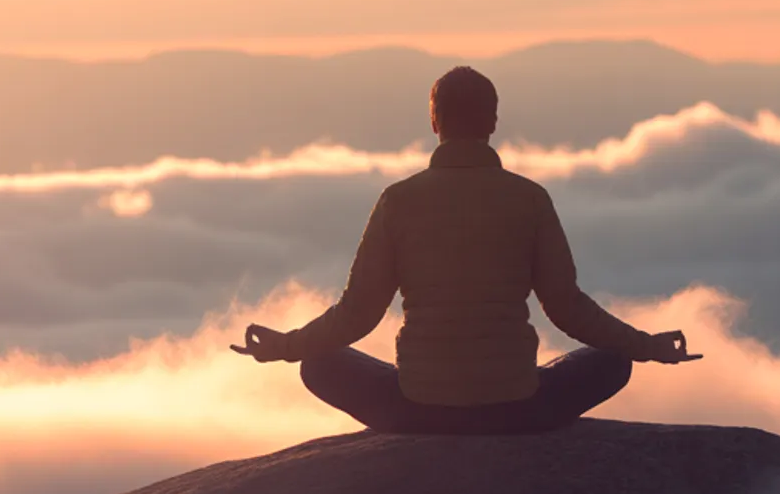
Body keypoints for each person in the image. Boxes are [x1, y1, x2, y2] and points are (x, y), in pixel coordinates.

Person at [232, 66, 699, 434]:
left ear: (433, 122)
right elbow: (567, 308)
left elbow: (358, 313)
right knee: (612, 360)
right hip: (518, 411)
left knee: (318, 364)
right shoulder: (529, 198)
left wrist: (287, 346)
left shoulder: (398, 201)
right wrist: (647, 347)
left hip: (416, 411)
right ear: (493, 122)